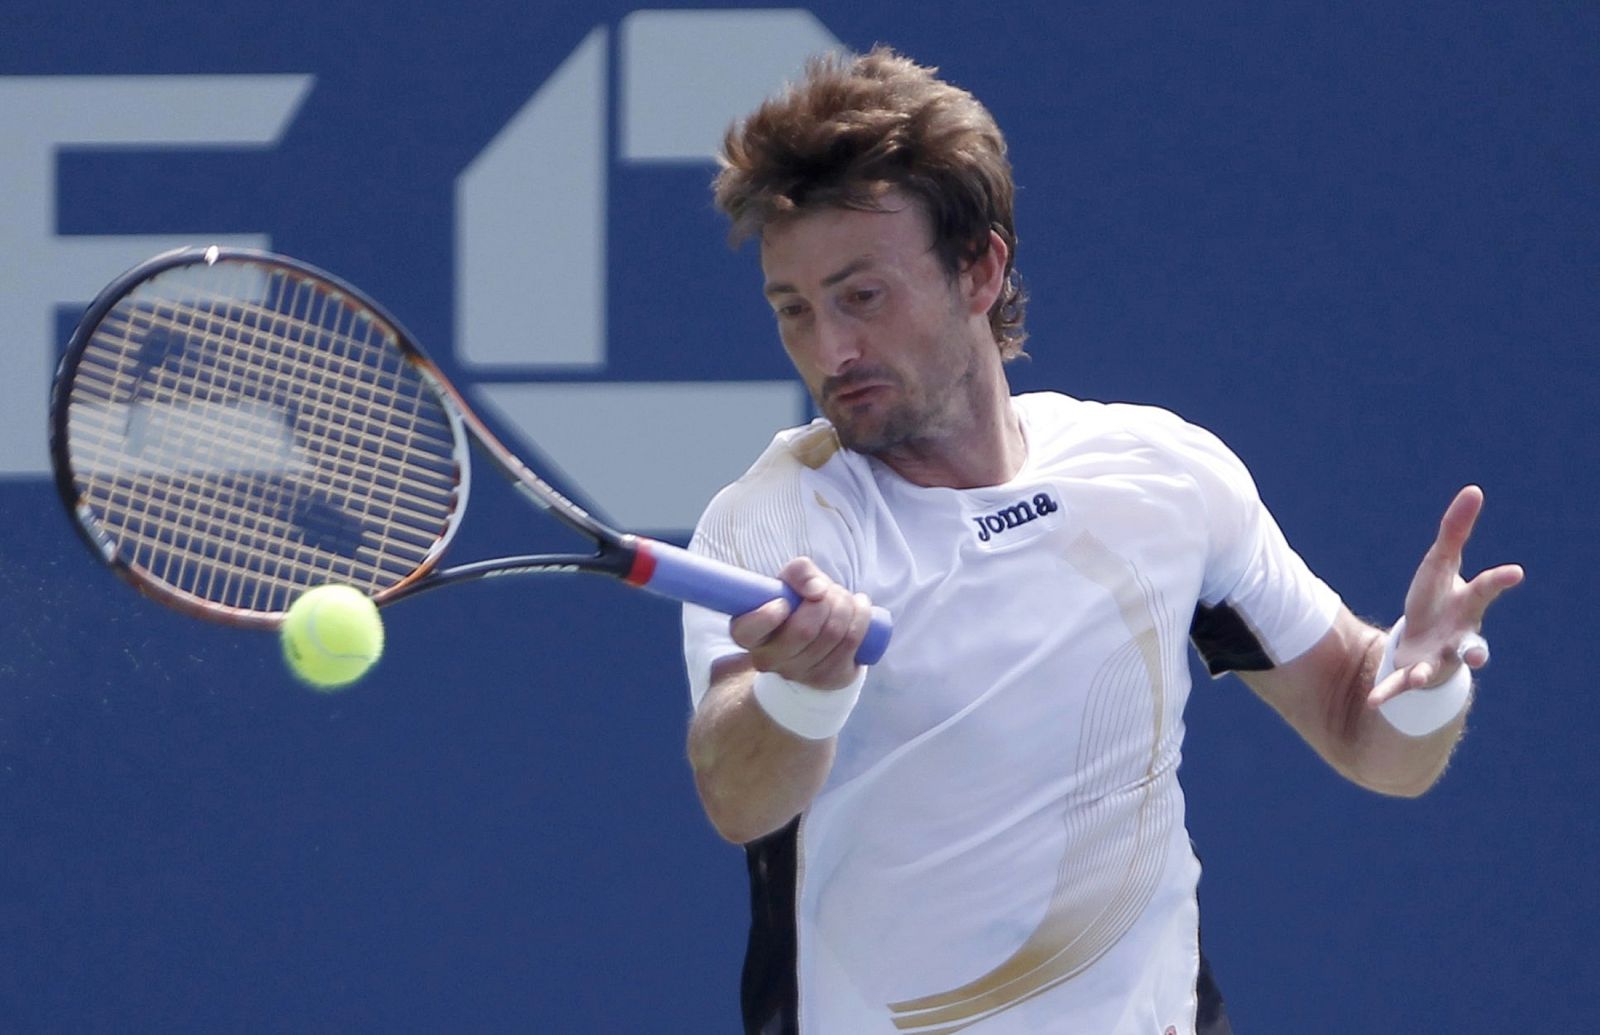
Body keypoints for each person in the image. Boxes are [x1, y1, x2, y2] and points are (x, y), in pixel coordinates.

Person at [680, 46, 1523, 1035]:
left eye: (862, 296)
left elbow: (1365, 734)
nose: (830, 349)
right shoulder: (780, 519)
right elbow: (738, 796)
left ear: (979, 268)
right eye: (794, 311)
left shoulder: (1160, 475)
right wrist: (801, 687)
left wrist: (1423, 688)